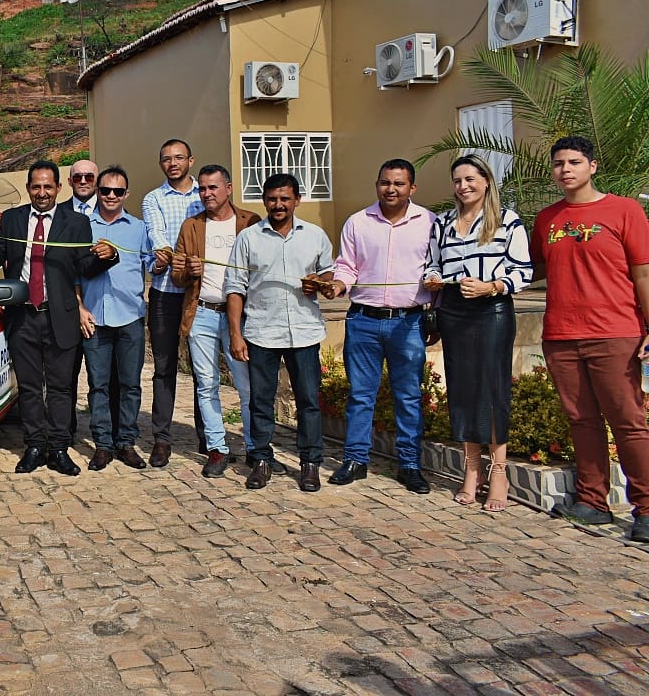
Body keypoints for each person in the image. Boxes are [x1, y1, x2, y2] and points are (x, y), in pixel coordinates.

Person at [529, 136, 649, 540]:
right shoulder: (547, 219)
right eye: (559, 163)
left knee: (628, 423)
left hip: (616, 333)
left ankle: (646, 510)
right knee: (582, 421)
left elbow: (643, 274)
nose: (566, 169)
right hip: (562, 335)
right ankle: (592, 502)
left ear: (592, 166)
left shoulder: (624, 210)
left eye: (574, 162)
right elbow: (533, 270)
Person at [0, 161, 117, 476]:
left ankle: (59, 448)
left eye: (47, 187)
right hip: (22, 316)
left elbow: (84, 265)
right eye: (36, 187)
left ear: (58, 188)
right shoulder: (12, 219)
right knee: (29, 387)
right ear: (28, 188)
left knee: (61, 387)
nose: (42, 193)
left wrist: (108, 258)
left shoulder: (76, 222)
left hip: (59, 315)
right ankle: (35, 446)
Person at [423, 154, 532, 512]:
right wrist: (432, 279)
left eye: (470, 179)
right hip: (454, 310)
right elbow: (432, 264)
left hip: (492, 310)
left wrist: (491, 287)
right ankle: (472, 469)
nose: (463, 186)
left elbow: (523, 272)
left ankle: (499, 470)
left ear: (486, 181)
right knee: (462, 389)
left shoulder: (508, 221)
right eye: (457, 181)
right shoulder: (443, 223)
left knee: (492, 389)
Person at [329, 159, 437, 494]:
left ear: (412, 188)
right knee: (361, 395)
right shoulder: (358, 222)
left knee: (407, 396)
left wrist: (436, 304)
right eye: (384, 183)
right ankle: (355, 460)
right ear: (377, 185)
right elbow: (347, 265)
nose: (391, 189)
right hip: (363, 320)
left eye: (399, 184)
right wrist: (338, 285)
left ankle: (409, 464)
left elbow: (436, 268)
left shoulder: (430, 223)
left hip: (408, 322)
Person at [226, 173, 334, 493]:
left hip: (304, 330)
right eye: (272, 199)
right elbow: (235, 288)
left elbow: (330, 275)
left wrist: (321, 281)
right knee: (261, 400)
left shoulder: (315, 236)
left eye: (285, 198)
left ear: (296, 200)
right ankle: (261, 459)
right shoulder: (248, 238)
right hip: (261, 331)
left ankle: (310, 463)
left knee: (308, 401)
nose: (278, 205)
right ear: (264, 201)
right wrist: (235, 334)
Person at [171, 165, 261, 478]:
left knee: (246, 385)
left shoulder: (250, 223)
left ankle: (255, 448)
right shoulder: (191, 226)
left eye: (213, 188)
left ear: (228, 188)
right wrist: (188, 272)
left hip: (240, 317)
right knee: (206, 385)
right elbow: (177, 275)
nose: (207, 194)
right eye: (203, 189)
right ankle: (217, 448)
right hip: (202, 314)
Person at [77, 166, 152, 471]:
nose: (110, 196)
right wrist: (80, 307)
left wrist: (165, 261)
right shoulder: (83, 227)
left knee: (130, 384)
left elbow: (153, 266)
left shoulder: (138, 229)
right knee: (98, 385)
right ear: (97, 191)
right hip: (94, 318)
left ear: (126, 195)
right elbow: (73, 273)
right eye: (105, 190)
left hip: (130, 317)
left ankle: (127, 442)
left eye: (117, 191)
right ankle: (103, 444)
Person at [141, 139, 204, 466]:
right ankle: (162, 439)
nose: (173, 163)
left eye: (179, 157)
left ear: (190, 160)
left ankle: (208, 438)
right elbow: (157, 236)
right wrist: (168, 256)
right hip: (166, 292)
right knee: (164, 369)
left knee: (202, 369)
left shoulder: (204, 194)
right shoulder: (153, 199)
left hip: (200, 293)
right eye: (166, 159)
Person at [66, 158, 101, 442]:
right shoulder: (58, 214)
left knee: (102, 380)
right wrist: (77, 305)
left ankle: (104, 436)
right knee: (65, 377)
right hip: (68, 308)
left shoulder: (110, 210)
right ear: (70, 182)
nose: (84, 181)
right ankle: (65, 434)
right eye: (78, 177)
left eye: (89, 176)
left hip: (104, 309)